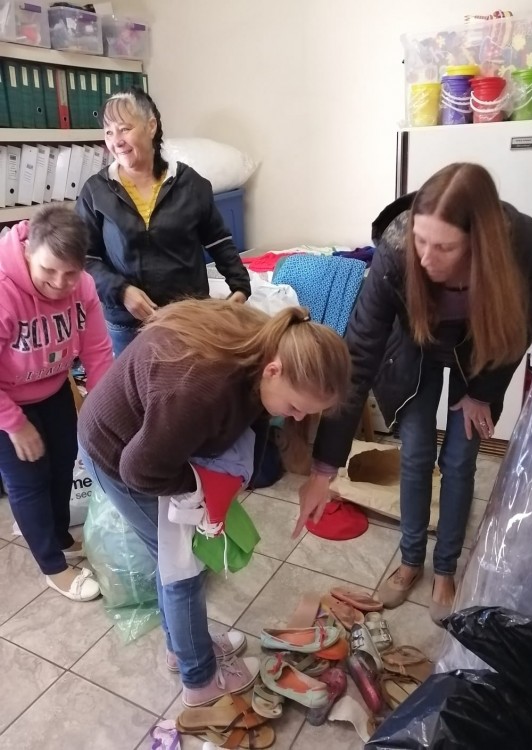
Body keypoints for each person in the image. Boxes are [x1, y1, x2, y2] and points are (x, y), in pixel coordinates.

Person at [295, 163, 532, 624]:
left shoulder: (522, 244)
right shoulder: (396, 250)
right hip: (414, 345)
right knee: (414, 454)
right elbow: (359, 357)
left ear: (480, 244)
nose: (427, 258)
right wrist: (323, 468)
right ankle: (411, 560)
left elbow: (520, 327)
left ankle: (445, 569)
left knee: (459, 459)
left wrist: (483, 393)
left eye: (444, 247)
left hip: (481, 352)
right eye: (421, 241)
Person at [78, 299, 351, 706]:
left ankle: (183, 649)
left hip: (147, 443)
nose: (296, 419)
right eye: (295, 407)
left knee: (176, 558)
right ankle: (199, 679)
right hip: (116, 452)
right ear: (273, 370)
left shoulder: (269, 345)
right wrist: (203, 487)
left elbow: (257, 420)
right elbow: (139, 470)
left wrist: (230, 483)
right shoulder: (202, 388)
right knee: (182, 566)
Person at [76, 87, 251, 356]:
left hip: (187, 320)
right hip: (127, 325)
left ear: (151, 126)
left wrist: (240, 286)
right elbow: (85, 258)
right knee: (133, 385)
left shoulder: (190, 184)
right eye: (109, 132)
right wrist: (122, 291)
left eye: (124, 129)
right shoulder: (95, 191)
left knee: (188, 382)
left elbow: (219, 241)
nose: (116, 141)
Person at [0, 205, 113, 601]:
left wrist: (102, 411)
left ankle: (60, 536)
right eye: (48, 270)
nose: (59, 284)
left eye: (71, 273)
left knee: (63, 466)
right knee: (29, 481)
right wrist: (15, 424)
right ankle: (53, 567)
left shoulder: (83, 286)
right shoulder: (4, 289)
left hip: (53, 389)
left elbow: (97, 352)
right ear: (29, 251)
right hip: (8, 402)